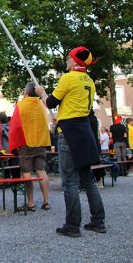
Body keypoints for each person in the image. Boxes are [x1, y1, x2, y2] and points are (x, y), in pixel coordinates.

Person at [36, 46, 105, 237]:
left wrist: (42, 92)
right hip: (85, 131)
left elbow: (50, 102)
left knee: (69, 182)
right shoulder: (90, 81)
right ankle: (98, 221)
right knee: (88, 180)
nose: (66, 61)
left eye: (68, 58)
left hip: (69, 133)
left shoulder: (68, 78)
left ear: (75, 61)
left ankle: (73, 225)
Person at [9, 82, 51, 212]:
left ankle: (31, 203)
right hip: (40, 142)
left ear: (26, 93)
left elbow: (15, 127)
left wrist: (14, 145)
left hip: (26, 143)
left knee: (26, 172)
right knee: (41, 170)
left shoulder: (21, 105)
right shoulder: (41, 104)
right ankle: (46, 201)